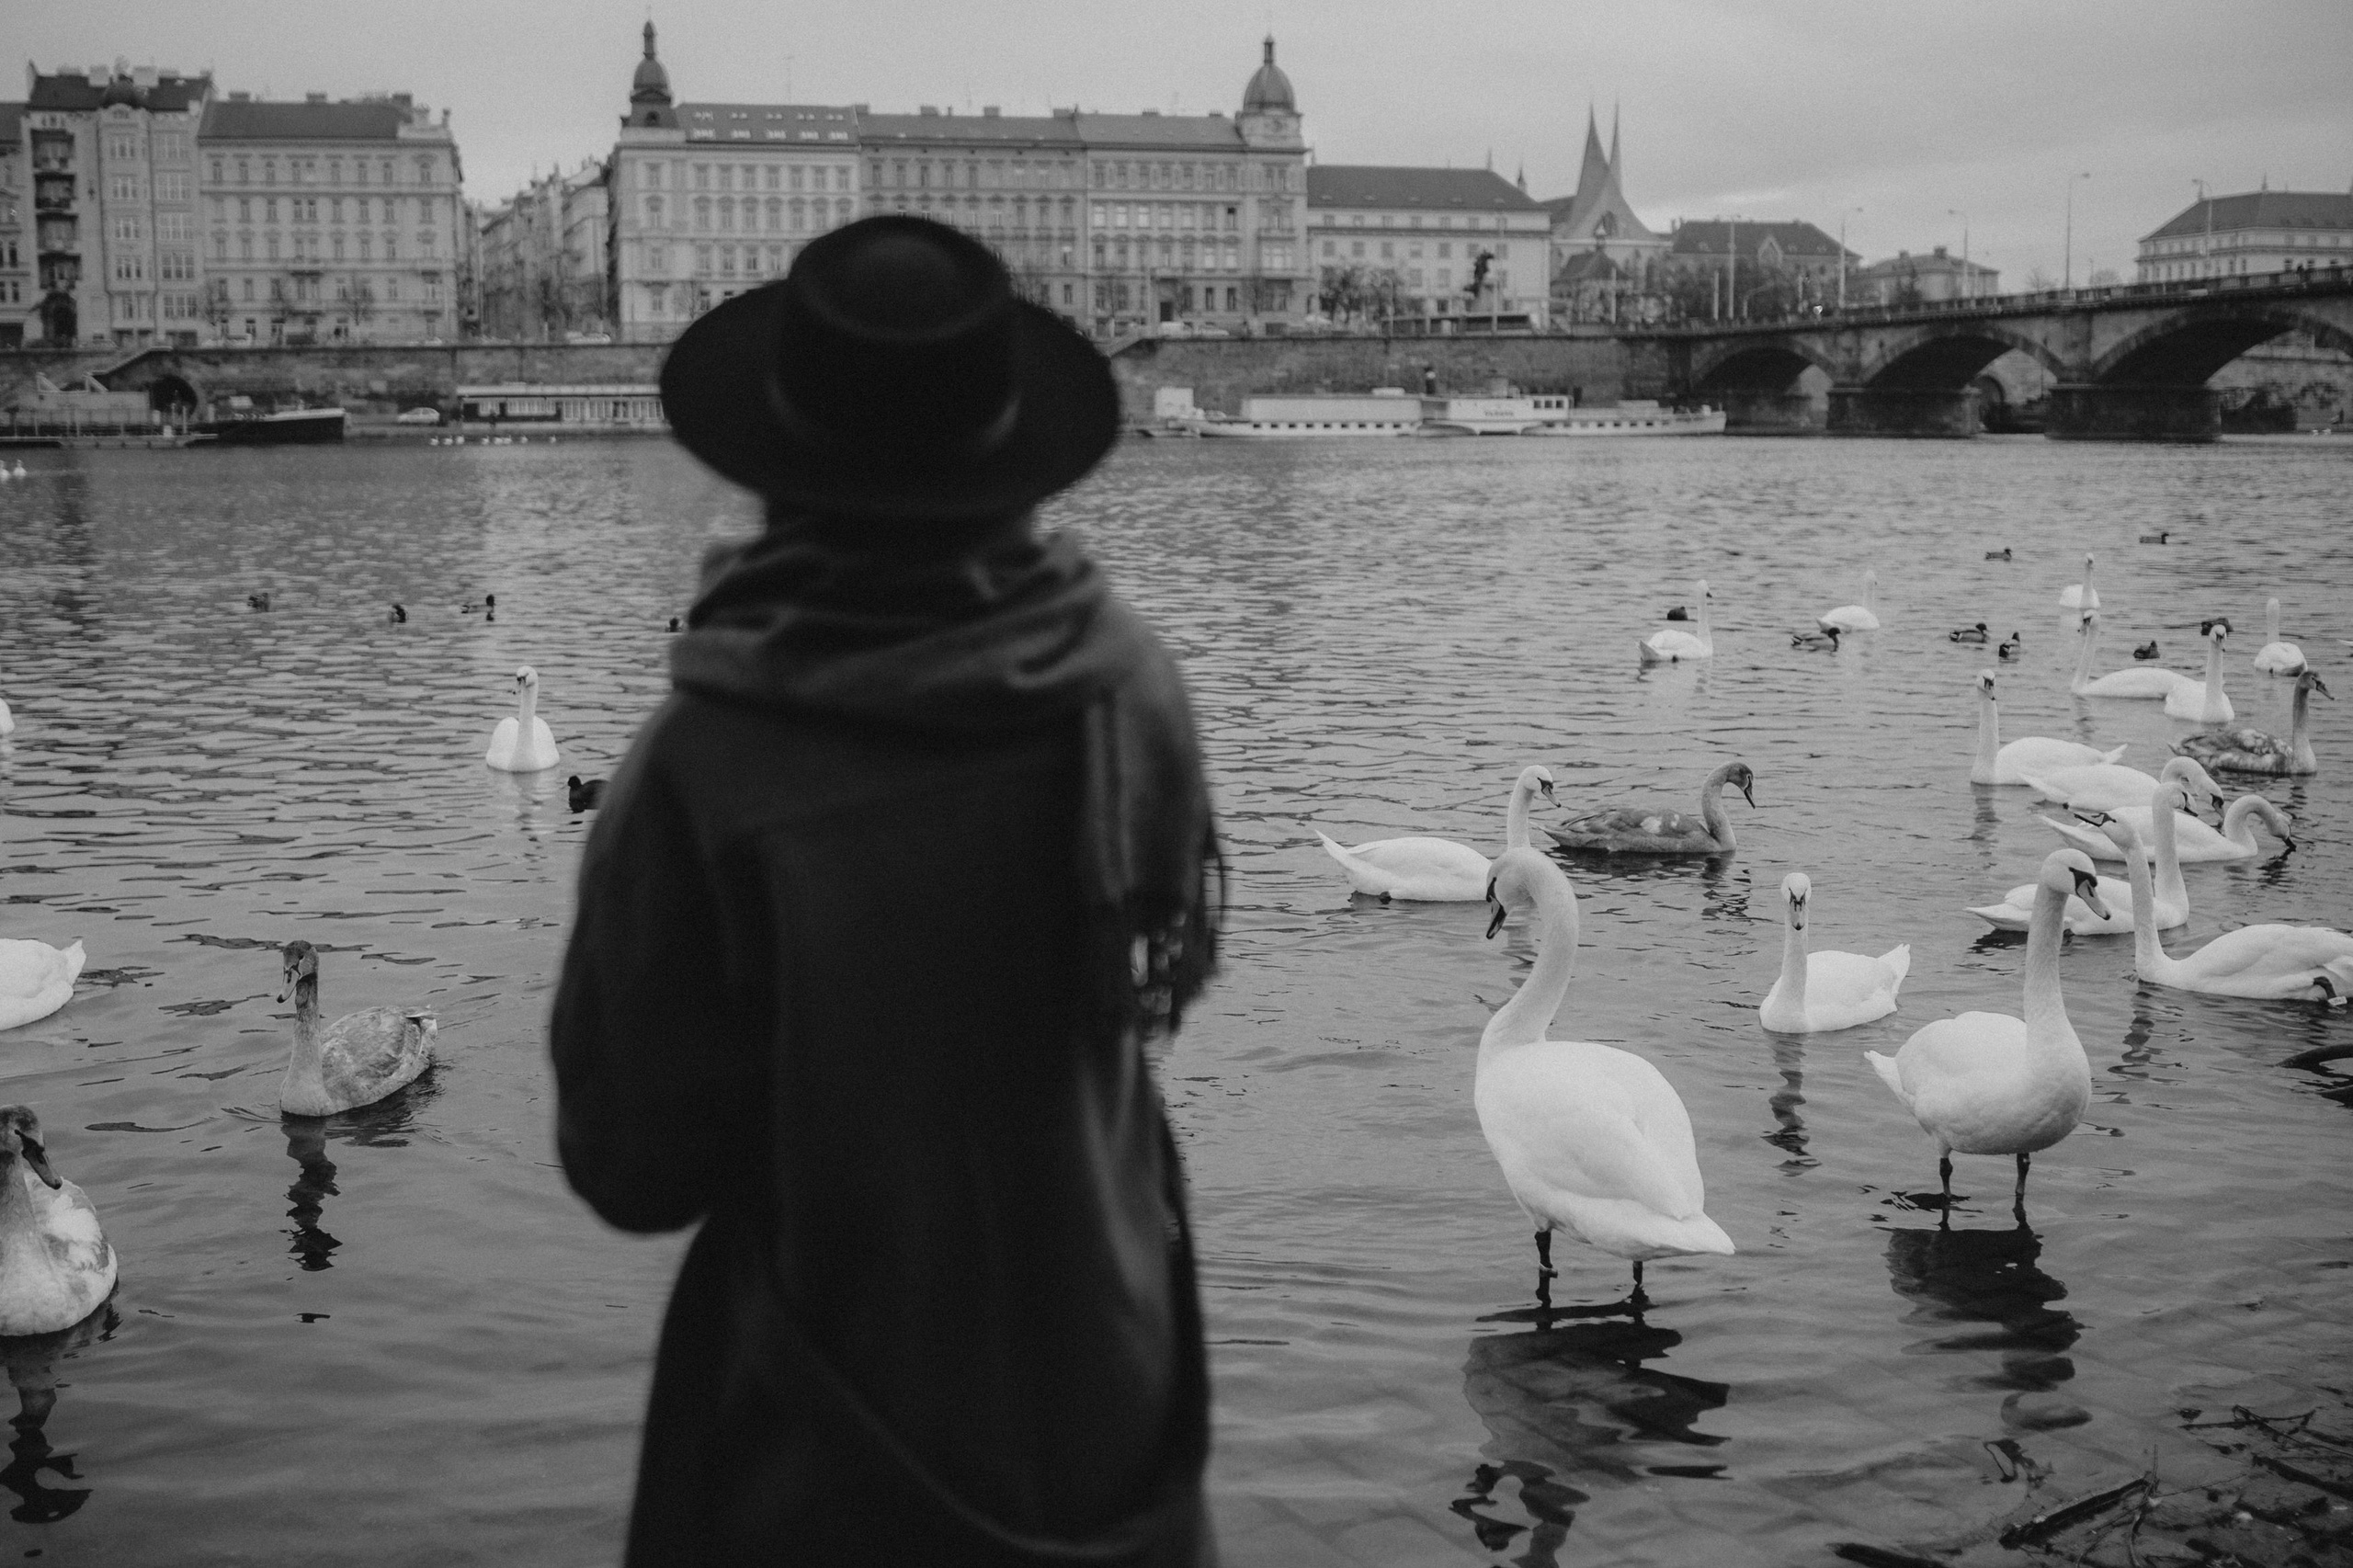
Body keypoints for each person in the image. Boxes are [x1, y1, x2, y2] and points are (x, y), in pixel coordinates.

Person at [550, 216, 1222, 1566]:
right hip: (1106, 1393)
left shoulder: (706, 760)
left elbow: (631, 1167)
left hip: (825, 1445)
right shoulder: (1126, 688)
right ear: (1007, 459)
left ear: (779, 467)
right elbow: (1140, 989)